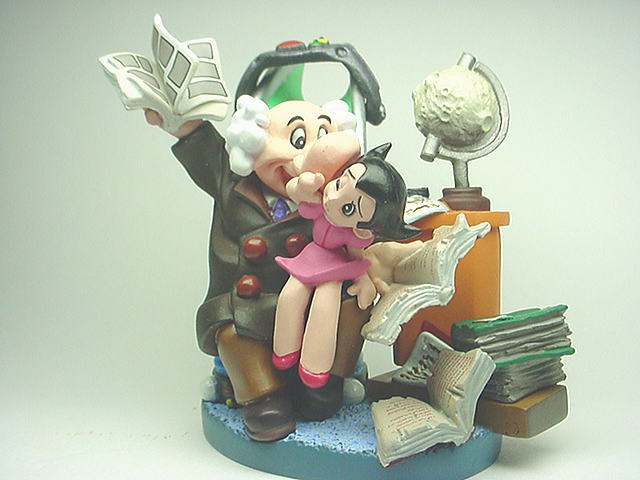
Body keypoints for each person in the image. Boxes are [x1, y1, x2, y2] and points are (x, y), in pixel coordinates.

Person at [272, 144, 420, 388]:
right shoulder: (320, 204)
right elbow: (295, 192)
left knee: (325, 305)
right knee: (290, 295)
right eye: (340, 183)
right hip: (311, 257)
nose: (333, 199)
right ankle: (284, 352)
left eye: (349, 208)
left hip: (335, 266)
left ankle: (314, 367)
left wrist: (363, 280)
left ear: (363, 229)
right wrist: (303, 186)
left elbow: (356, 255)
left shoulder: (352, 235)